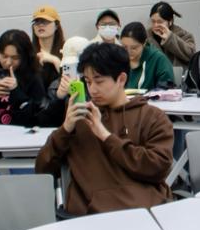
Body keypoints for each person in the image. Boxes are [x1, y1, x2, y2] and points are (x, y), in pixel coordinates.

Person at [34, 42, 174, 216]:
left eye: (99, 81)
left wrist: (106, 136)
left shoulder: (152, 116)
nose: (92, 89)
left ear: (121, 79)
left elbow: (158, 168)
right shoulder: (78, 120)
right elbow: (42, 170)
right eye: (88, 81)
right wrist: (65, 130)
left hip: (147, 213)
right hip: (93, 218)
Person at [119, 22, 176, 91]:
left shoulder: (158, 59)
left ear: (144, 43)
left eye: (134, 48)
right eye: (124, 47)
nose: (128, 51)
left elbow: (166, 88)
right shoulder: (118, 58)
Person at [147, 2, 196, 68]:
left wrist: (170, 38)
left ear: (170, 21)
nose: (156, 25)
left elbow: (192, 56)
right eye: (153, 21)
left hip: (177, 74)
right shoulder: (146, 36)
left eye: (160, 22)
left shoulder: (183, 34)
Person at [30, 5, 65, 91]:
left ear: (56, 25)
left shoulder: (67, 49)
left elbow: (72, 82)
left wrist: (55, 60)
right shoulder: (29, 51)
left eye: (45, 22)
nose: (40, 25)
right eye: (37, 22)